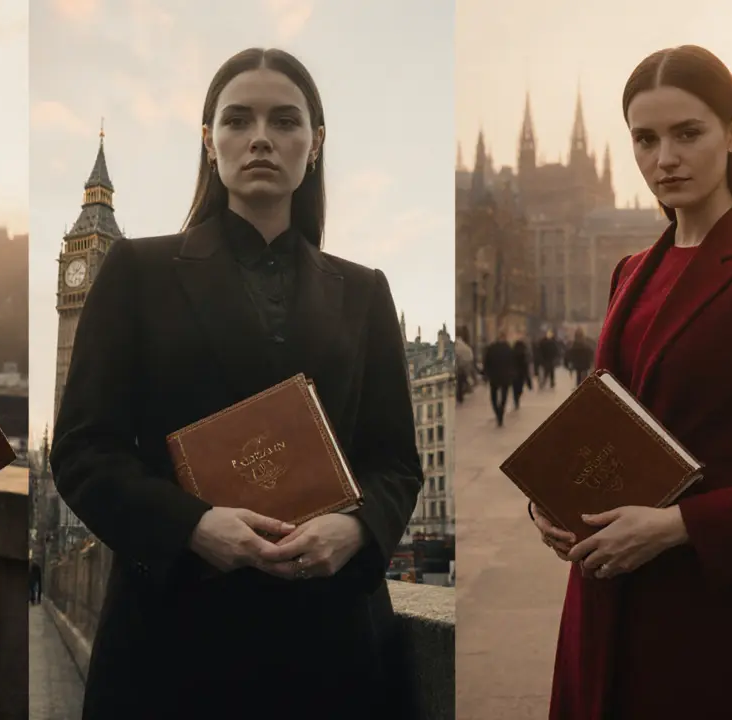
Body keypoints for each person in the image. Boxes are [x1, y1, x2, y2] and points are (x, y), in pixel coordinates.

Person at [49, 47, 422, 720]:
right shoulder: (137, 270)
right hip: (176, 638)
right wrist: (193, 526)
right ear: (208, 140)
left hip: (332, 641)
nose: (260, 138)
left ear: (315, 144)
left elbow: (394, 459)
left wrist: (359, 530)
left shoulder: (365, 292)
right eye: (237, 119)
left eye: (285, 121)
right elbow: (82, 450)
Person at [529, 45, 732, 720]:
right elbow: (608, 425)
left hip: (708, 609)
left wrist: (680, 525)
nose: (665, 159)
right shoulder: (632, 270)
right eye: (645, 140)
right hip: (601, 605)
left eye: (688, 134)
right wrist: (552, 502)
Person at [482, 331, 513, 426]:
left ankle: (497, 412)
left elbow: (486, 361)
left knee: (493, 396)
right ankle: (501, 411)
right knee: (504, 396)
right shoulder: (508, 348)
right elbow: (512, 362)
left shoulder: (491, 348)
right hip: (505, 375)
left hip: (494, 375)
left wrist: (486, 374)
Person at [510, 333, 533, 409]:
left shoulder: (512, 353)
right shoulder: (524, 354)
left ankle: (515, 399)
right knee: (520, 388)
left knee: (514, 388)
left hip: (514, 373)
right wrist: (528, 380)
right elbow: (526, 366)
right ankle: (517, 397)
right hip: (521, 374)